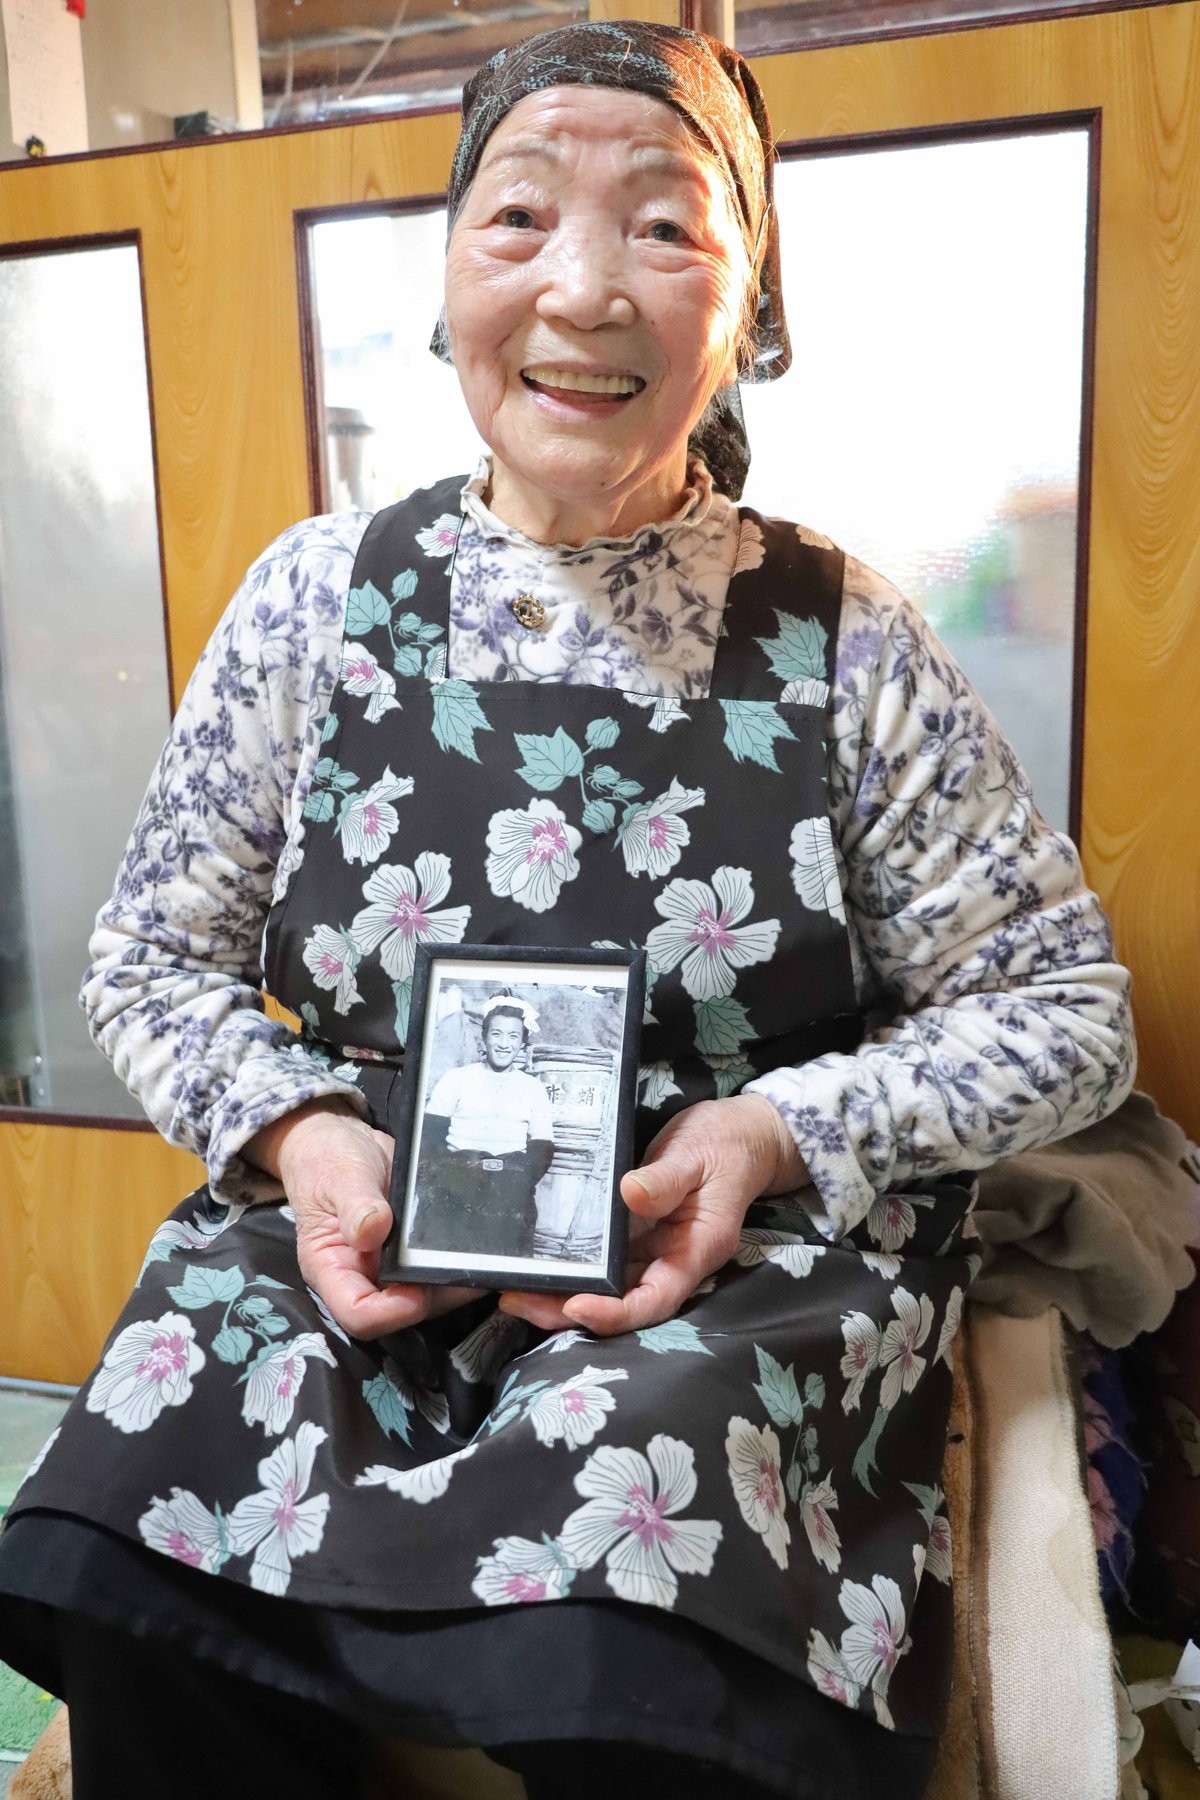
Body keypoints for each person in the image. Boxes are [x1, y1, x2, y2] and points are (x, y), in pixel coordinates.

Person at [0, 20, 1134, 1800]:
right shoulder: (317, 602)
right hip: (367, 1227)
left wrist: (774, 1134)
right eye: (519, 218)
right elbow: (152, 955)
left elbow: (1064, 1012)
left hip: (725, 1264)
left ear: (750, 307)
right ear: (451, 279)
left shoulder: (843, 636)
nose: (585, 290)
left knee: (626, 1613)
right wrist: (300, 1134)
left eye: (666, 227)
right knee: (136, 1546)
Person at [410, 995, 555, 1257]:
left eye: (513, 1036)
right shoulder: (456, 1079)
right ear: (485, 1036)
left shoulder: (534, 1089)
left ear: (523, 1042)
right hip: (456, 1180)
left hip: (509, 1186)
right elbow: (429, 1137)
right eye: (496, 1034)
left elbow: (542, 1148)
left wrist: (518, 1180)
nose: (504, 1044)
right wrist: (448, 1176)